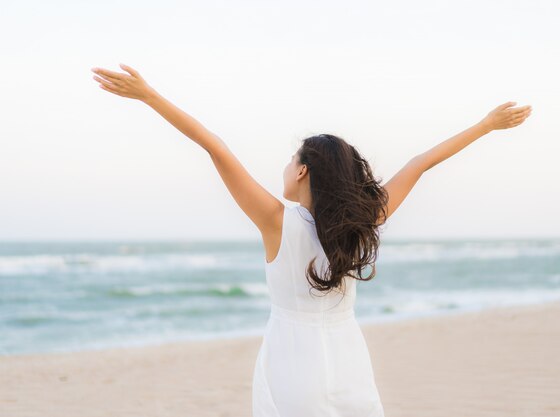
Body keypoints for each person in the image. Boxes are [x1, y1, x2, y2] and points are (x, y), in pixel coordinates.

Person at [91, 63, 532, 416]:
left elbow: (216, 148)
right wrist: (486, 124)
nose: (284, 167)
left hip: (292, 366)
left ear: (303, 171)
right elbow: (420, 163)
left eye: (291, 160)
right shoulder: (363, 221)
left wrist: (150, 97)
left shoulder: (276, 221)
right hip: (348, 363)